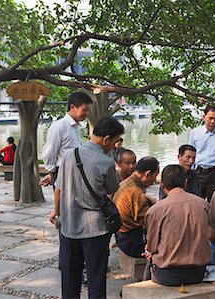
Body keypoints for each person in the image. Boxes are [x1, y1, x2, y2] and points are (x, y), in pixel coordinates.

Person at [49, 116, 125, 298]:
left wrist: (56, 211)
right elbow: (112, 189)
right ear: (106, 139)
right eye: (114, 141)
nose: (114, 146)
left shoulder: (69, 154)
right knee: (96, 277)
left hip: (68, 227)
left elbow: (58, 188)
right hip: (96, 230)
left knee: (69, 277)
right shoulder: (106, 162)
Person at [144, 165, 211, 285]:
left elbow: (152, 247)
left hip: (167, 274)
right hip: (198, 272)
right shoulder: (203, 204)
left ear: (162, 184)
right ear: (185, 183)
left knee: (149, 256)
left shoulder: (155, 210)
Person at [39, 91, 93, 187]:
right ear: (72, 107)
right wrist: (52, 173)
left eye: (88, 110)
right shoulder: (59, 127)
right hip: (63, 173)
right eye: (84, 110)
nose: (87, 114)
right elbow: (49, 152)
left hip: (76, 173)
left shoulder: (76, 127)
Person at [113, 156, 159, 258]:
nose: (154, 180)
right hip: (131, 242)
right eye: (155, 176)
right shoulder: (136, 193)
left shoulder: (127, 182)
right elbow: (148, 222)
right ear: (147, 174)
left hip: (120, 235)